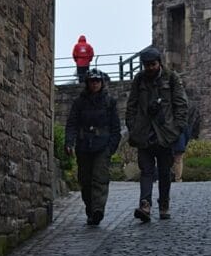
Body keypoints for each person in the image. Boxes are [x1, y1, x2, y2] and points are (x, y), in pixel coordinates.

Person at [125, 46, 188, 222]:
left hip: (165, 133)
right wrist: (133, 127)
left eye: (152, 64)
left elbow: (181, 104)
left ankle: (164, 204)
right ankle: (145, 204)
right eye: (146, 65)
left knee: (164, 172)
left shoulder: (171, 78)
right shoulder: (139, 80)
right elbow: (131, 105)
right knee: (146, 170)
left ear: (159, 63)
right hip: (144, 133)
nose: (150, 68)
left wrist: (177, 128)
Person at [64, 69, 121, 226]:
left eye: (97, 81)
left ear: (101, 83)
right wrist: (69, 142)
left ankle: (98, 210)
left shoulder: (109, 102)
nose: (94, 84)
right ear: (87, 83)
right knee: (85, 180)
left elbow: (116, 128)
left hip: (102, 146)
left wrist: (111, 147)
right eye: (92, 81)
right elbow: (72, 124)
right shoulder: (79, 103)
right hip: (84, 146)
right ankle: (90, 209)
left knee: (99, 178)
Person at [171, 101, 200, 182]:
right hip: (179, 141)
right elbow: (188, 133)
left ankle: (173, 177)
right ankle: (178, 178)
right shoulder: (184, 121)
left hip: (173, 140)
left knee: (173, 159)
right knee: (178, 160)